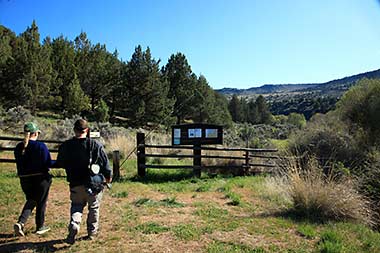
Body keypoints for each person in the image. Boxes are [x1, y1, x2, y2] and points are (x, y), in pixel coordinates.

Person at [55, 119, 112, 244]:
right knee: (94, 207)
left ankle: (74, 223)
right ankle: (92, 232)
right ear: (87, 130)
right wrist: (108, 179)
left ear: (74, 130)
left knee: (77, 206)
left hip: (75, 183)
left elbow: (60, 163)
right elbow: (106, 166)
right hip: (94, 183)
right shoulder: (96, 145)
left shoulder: (66, 145)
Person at [13, 122, 52, 236]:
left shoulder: (18, 147)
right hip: (40, 179)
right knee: (41, 201)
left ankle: (21, 222)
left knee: (32, 200)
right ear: (36, 133)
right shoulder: (40, 146)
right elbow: (47, 163)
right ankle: (40, 226)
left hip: (24, 179)